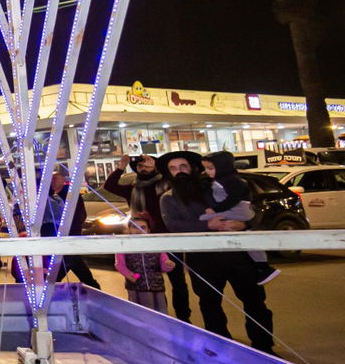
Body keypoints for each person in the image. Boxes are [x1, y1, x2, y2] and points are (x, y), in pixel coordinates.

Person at [157, 151, 275, 353]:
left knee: (255, 302)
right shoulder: (168, 199)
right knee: (210, 305)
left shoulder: (218, 186)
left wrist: (243, 223)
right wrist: (207, 226)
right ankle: (220, 346)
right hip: (202, 258)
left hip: (239, 255)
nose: (179, 172)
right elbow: (174, 226)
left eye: (183, 166)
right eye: (174, 169)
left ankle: (264, 348)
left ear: (193, 167)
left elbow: (254, 209)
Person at [104, 153, 190, 321]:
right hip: (143, 242)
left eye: (147, 166)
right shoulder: (133, 188)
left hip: (168, 238)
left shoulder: (166, 185)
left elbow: (177, 180)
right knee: (151, 283)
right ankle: (160, 316)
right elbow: (110, 186)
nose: (143, 169)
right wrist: (121, 167)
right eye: (140, 167)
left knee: (177, 281)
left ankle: (183, 318)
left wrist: (157, 165)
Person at [202, 152, 277, 285]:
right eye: (206, 168)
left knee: (205, 218)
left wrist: (215, 210)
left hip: (239, 210)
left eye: (210, 168)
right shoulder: (220, 180)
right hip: (238, 213)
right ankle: (262, 267)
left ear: (222, 167)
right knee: (250, 242)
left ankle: (263, 268)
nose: (207, 171)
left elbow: (233, 199)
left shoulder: (232, 181)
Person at [45, 172, 101, 289]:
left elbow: (80, 216)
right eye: (51, 179)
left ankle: (48, 289)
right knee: (77, 266)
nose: (52, 181)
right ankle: (94, 288)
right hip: (61, 240)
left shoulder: (70, 196)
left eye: (55, 179)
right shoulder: (50, 196)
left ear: (63, 180)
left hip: (68, 238)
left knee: (63, 267)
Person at [115, 214, 176, 314]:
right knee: (140, 314)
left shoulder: (155, 245)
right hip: (136, 287)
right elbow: (119, 264)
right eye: (135, 227)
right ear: (129, 229)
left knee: (159, 313)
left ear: (148, 230)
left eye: (142, 227)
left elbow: (163, 264)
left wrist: (168, 265)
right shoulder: (124, 245)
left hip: (156, 286)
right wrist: (131, 275)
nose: (138, 230)